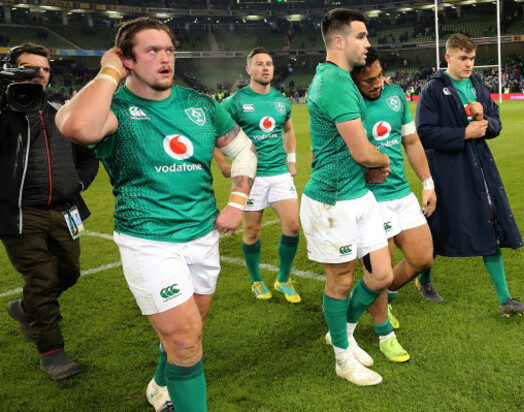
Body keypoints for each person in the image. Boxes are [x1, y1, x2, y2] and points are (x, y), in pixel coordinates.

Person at [55, 18, 256, 412]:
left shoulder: (199, 105)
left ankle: (160, 385)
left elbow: (244, 151)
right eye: (152, 51)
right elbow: (77, 126)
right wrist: (109, 72)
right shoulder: (114, 109)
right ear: (127, 59)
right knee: (185, 343)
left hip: (202, 236)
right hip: (148, 239)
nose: (165, 59)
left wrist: (237, 201)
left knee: (192, 330)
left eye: (169, 50)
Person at [300, 8, 395, 386]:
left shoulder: (338, 79)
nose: (367, 43)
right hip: (332, 201)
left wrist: (374, 162)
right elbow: (362, 152)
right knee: (340, 282)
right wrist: (384, 158)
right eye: (361, 36)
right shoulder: (336, 83)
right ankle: (342, 357)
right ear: (338, 41)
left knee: (382, 275)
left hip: (358, 195)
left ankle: (343, 331)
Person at [415, 33, 524, 317]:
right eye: (463, 58)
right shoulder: (433, 89)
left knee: (489, 222)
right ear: (448, 57)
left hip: (480, 167)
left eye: (471, 59)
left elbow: (496, 123)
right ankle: (424, 280)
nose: (469, 64)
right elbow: (424, 133)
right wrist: (463, 133)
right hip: (447, 171)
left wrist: (484, 120)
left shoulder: (478, 85)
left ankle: (505, 300)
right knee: (436, 227)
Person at [1, 43, 98, 380]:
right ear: (12, 70)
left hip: (65, 210)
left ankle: (26, 310)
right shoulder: (4, 112)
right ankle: (52, 354)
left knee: (69, 272)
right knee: (41, 279)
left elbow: (88, 156)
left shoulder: (63, 112)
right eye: (29, 68)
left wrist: (79, 185)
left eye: (44, 69)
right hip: (21, 214)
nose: (39, 74)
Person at [349, 47, 440, 344]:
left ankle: (375, 297)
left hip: (401, 193)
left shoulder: (395, 95)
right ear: (353, 81)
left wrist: (427, 183)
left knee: (422, 257)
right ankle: (371, 322)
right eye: (368, 81)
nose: (376, 84)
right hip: (370, 198)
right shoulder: (347, 106)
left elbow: (411, 141)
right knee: (381, 272)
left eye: (378, 77)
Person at [220, 48, 301, 303]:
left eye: (269, 64)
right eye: (259, 64)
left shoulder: (281, 100)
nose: (265, 68)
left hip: (279, 173)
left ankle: (283, 279)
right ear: (249, 70)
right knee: (252, 233)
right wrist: (223, 163)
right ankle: (256, 280)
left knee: (293, 226)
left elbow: (288, 130)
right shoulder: (234, 101)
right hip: (250, 176)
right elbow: (214, 130)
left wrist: (291, 160)